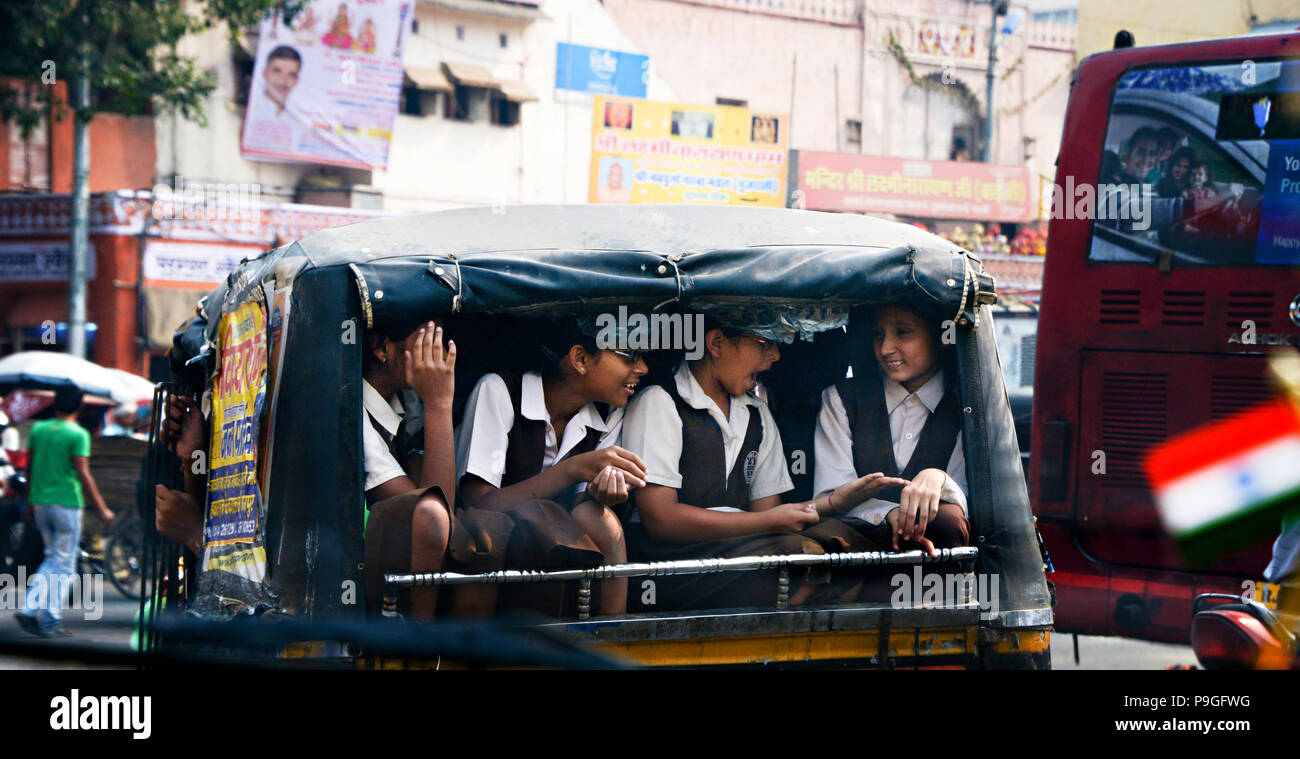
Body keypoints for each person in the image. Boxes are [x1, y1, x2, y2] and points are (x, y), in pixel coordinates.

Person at [619, 320, 873, 612]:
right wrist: (769, 522)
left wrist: (832, 503)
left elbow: (769, 512)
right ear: (716, 344)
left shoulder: (757, 414)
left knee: (845, 541)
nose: (776, 355)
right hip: (671, 562)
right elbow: (661, 520)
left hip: (739, 552)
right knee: (794, 554)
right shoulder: (660, 402)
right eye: (765, 343)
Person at [456, 320, 649, 615]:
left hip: (555, 561)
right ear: (580, 359)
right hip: (487, 561)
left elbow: (583, 507)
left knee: (603, 520)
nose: (642, 368)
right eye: (628, 356)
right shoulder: (500, 391)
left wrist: (601, 494)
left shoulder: (608, 413)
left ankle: (614, 637)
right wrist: (572, 470)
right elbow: (479, 504)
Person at [812, 303, 971, 561]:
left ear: (943, 336)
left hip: (933, 549)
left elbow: (971, 501)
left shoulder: (965, 402)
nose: (885, 348)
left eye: (903, 332)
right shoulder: (841, 398)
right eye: (878, 335)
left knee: (945, 522)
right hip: (857, 542)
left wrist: (938, 479)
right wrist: (887, 514)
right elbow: (829, 495)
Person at [15, 385, 115, 638]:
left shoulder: (38, 430)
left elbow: (30, 468)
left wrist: (30, 502)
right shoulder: (78, 434)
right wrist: (102, 508)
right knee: (65, 563)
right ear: (79, 406)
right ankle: (41, 615)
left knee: (52, 558)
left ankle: (40, 614)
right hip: (67, 503)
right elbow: (83, 473)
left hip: (40, 504)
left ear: (55, 403)